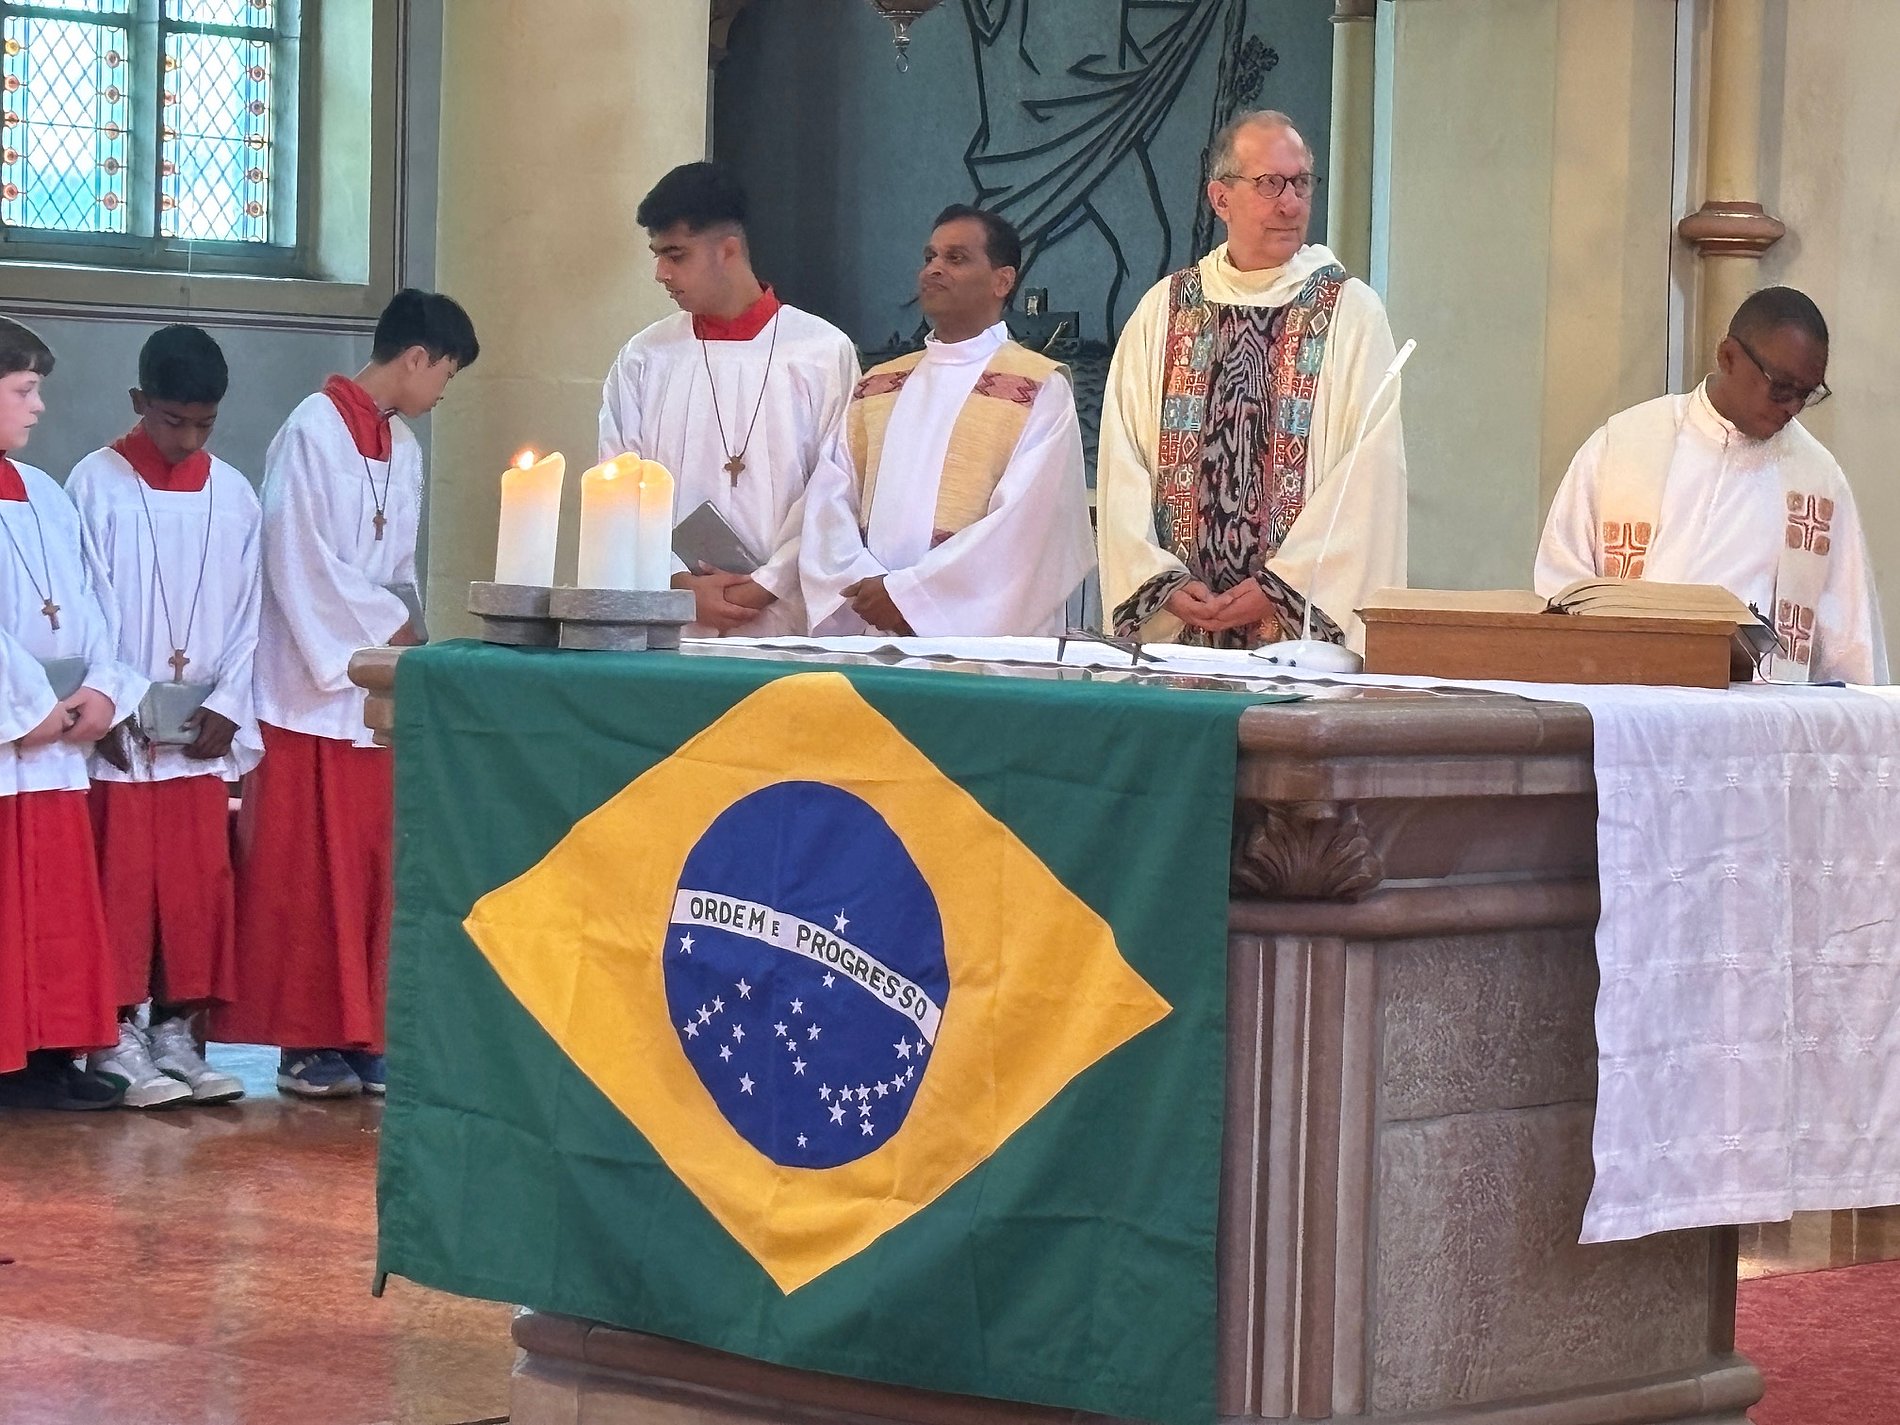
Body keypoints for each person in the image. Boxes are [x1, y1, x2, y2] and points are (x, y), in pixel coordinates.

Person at [217, 289, 478, 1097]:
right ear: (416, 357)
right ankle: (305, 1042)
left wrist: (402, 627)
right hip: (310, 683)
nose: (443, 392)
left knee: (369, 869)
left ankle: (365, 1032)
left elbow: (395, 568)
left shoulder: (404, 445)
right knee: (307, 874)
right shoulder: (311, 429)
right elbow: (294, 557)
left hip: (370, 690)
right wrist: (384, 625)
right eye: (447, 374)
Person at [1096, 109, 1407, 652]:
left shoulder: (1350, 312)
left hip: (1295, 638)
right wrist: (1160, 582)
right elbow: (1121, 459)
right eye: (1269, 184)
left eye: (1301, 183)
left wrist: (1282, 588)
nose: (1291, 203)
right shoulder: (1165, 310)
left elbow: (1369, 474)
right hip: (1179, 630)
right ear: (1221, 199)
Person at [68, 325, 258, 1107]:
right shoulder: (95, 483)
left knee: (193, 884)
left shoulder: (234, 493)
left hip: (199, 733)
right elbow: (82, 604)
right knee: (120, 880)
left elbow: (253, 613)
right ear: (139, 401)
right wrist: (106, 700)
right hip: (124, 732)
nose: (187, 439)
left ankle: (177, 1029)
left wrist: (230, 701)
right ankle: (113, 1033)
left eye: (204, 424)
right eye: (173, 420)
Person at [1536, 286, 1886, 684]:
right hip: (1630, 696)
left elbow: (1849, 641)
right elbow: (1562, 589)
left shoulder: (1818, 481)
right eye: (1782, 388)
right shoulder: (1622, 446)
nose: (1792, 408)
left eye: (1806, 395)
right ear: (1728, 357)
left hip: (1756, 711)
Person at [800, 205, 1093, 636]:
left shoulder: (1037, 387)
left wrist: (912, 599)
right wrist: (865, 587)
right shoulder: (877, 385)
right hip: (871, 622)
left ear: (1002, 281)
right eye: (929, 257)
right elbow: (830, 498)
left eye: (955, 258)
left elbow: (1030, 526)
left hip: (975, 643)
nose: (933, 269)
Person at [599, 161, 858, 637]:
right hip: (673, 620)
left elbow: (836, 486)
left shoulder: (821, 352)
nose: (661, 273)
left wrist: (767, 583)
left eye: (676, 255)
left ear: (728, 250)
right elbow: (616, 483)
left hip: (785, 620)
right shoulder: (645, 357)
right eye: (657, 255)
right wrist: (677, 583)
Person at [0, 316, 147, 1111]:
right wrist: (28, 708)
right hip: (16, 735)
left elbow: (97, 606)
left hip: (54, 743)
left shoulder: (49, 496)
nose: (39, 406)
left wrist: (104, 689)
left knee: (52, 907)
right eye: (24, 390)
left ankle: (50, 1053)